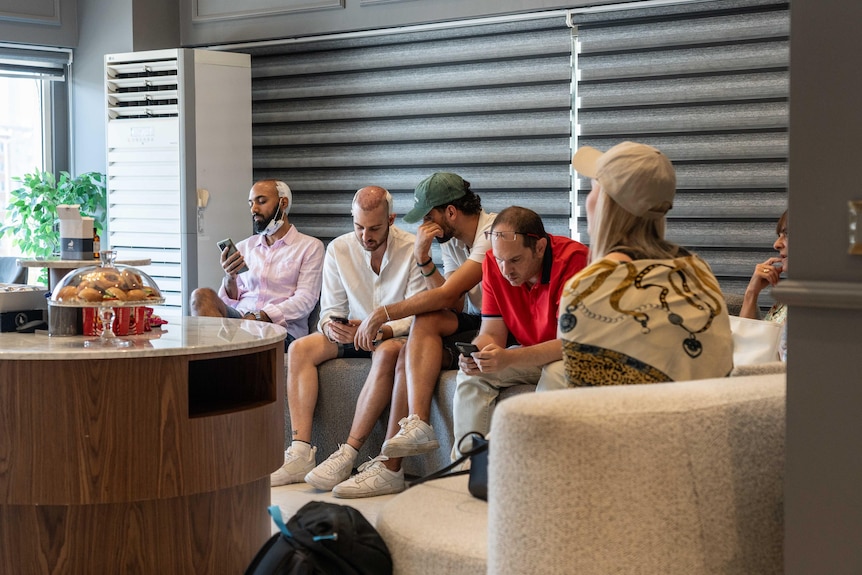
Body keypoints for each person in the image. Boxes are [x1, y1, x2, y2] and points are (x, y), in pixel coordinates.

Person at [329, 172, 496, 499]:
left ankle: (395, 460)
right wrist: (424, 258)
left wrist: (384, 313)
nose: (423, 224)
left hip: (499, 326)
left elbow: (447, 295)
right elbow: (455, 301)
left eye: (428, 215)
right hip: (472, 322)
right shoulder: (452, 242)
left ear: (449, 212)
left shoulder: (490, 233)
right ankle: (409, 436)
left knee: (418, 327)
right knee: (415, 334)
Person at [270, 186, 427, 488]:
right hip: (351, 334)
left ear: (391, 219)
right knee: (301, 348)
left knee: (386, 351)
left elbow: (417, 312)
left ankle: (348, 452)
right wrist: (331, 326)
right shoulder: (339, 248)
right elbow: (330, 309)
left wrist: (383, 329)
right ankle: (301, 450)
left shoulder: (411, 248)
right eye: (358, 226)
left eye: (374, 228)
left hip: (391, 335)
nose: (365, 235)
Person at [559, 141, 733, 386]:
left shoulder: (589, 288)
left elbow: (584, 409)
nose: (588, 199)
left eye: (593, 188)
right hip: (706, 422)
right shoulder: (699, 273)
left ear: (605, 203)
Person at [450, 206, 589, 455]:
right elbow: (492, 333)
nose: (505, 270)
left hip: (573, 356)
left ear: (540, 248)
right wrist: (479, 354)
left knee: (557, 371)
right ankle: (467, 468)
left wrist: (509, 358)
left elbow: (567, 344)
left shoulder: (574, 261)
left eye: (515, 260)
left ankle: (538, 467)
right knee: (472, 375)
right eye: (501, 260)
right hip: (532, 353)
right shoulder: (493, 264)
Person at [190, 179, 324, 347]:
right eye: (251, 203)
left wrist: (260, 316)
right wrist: (230, 277)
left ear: (283, 203)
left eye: (261, 201)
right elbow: (229, 301)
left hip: (280, 330)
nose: (254, 209)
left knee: (229, 338)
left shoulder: (310, 247)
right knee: (201, 296)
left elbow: (305, 300)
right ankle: (222, 353)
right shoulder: (244, 247)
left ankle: (221, 354)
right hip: (240, 320)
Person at [740, 210, 789, 360]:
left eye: (787, 234)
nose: (776, 244)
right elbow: (745, 349)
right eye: (779, 235)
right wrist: (752, 293)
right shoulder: (786, 301)